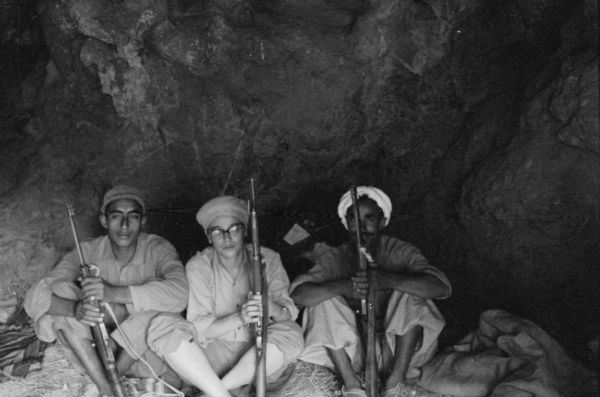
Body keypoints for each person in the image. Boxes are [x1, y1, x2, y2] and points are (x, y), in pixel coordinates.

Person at [24, 185, 188, 396]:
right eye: (116, 217)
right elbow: (34, 296)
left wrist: (113, 293)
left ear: (143, 221)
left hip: (141, 354)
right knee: (61, 292)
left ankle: (114, 377)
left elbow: (180, 293)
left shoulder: (158, 248)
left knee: (157, 302)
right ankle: (106, 388)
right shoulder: (88, 250)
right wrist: (75, 308)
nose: (124, 226)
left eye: (133, 217)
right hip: (95, 353)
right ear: (104, 220)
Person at [290, 186, 452, 397]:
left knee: (410, 290)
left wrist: (388, 279)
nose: (361, 227)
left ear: (382, 221)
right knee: (321, 298)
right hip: (354, 353)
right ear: (347, 224)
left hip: (401, 352)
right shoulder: (335, 257)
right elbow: (298, 296)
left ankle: (395, 383)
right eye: (354, 220)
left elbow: (442, 287)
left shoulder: (399, 250)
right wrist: (345, 286)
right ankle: (352, 385)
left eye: (369, 219)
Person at [147, 195, 303, 397]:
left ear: (245, 231)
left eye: (234, 229)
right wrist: (241, 317)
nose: (227, 238)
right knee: (163, 326)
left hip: (259, 357)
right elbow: (200, 328)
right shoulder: (199, 266)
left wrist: (271, 307)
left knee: (292, 332)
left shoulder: (269, 258)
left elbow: (289, 314)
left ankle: (215, 391)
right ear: (208, 236)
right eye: (217, 232)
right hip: (211, 359)